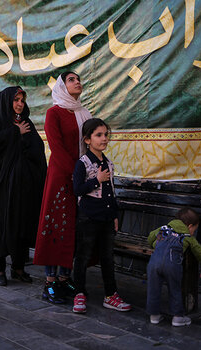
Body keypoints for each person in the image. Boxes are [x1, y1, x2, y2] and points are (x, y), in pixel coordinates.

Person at [33, 71, 91, 303]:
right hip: (61, 176)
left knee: (73, 226)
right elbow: (56, 147)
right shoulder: (53, 113)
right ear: (62, 86)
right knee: (55, 224)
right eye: (71, 80)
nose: (77, 82)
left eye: (78, 79)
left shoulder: (84, 113)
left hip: (81, 177)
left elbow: (90, 145)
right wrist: (76, 173)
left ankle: (65, 279)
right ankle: (49, 282)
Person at [0, 86, 46, 286]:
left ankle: (18, 268)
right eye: (16, 100)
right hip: (1, 185)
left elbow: (37, 148)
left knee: (21, 223)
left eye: (22, 100)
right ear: (6, 101)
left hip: (22, 186)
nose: (20, 104)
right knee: (1, 223)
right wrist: (15, 132)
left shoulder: (26, 122)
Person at [71, 118, 131, 314]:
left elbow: (111, 192)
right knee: (83, 256)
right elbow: (77, 189)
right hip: (88, 218)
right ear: (87, 140)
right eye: (99, 135)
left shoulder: (108, 163)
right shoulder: (83, 163)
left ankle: (111, 295)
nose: (104, 138)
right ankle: (79, 293)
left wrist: (114, 215)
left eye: (106, 134)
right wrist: (96, 180)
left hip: (106, 218)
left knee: (107, 257)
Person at [146, 208, 201, 327]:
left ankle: (154, 316)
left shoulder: (164, 229)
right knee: (175, 289)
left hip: (154, 263)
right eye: (194, 230)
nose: (193, 233)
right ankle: (178, 317)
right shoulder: (187, 237)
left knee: (153, 289)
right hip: (172, 265)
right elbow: (200, 253)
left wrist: (154, 244)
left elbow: (151, 238)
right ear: (190, 226)